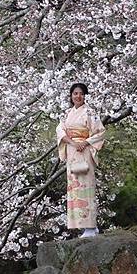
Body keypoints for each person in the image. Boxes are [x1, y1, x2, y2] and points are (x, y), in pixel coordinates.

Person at [56, 83, 106, 238]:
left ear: (85, 96)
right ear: (71, 96)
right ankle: (83, 227)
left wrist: (85, 142)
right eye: (75, 93)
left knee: (86, 186)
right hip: (72, 151)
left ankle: (90, 226)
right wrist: (72, 143)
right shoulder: (66, 113)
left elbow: (100, 132)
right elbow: (60, 130)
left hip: (85, 151)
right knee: (74, 188)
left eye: (81, 93)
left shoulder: (90, 112)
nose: (78, 96)